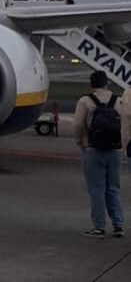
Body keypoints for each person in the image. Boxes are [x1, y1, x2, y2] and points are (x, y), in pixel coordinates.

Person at [72, 70, 124, 238]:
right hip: (115, 150)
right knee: (113, 188)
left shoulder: (85, 101)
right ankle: (118, 225)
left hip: (93, 149)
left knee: (96, 189)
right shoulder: (119, 101)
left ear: (91, 84)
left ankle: (99, 227)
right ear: (106, 83)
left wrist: (81, 143)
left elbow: (78, 125)